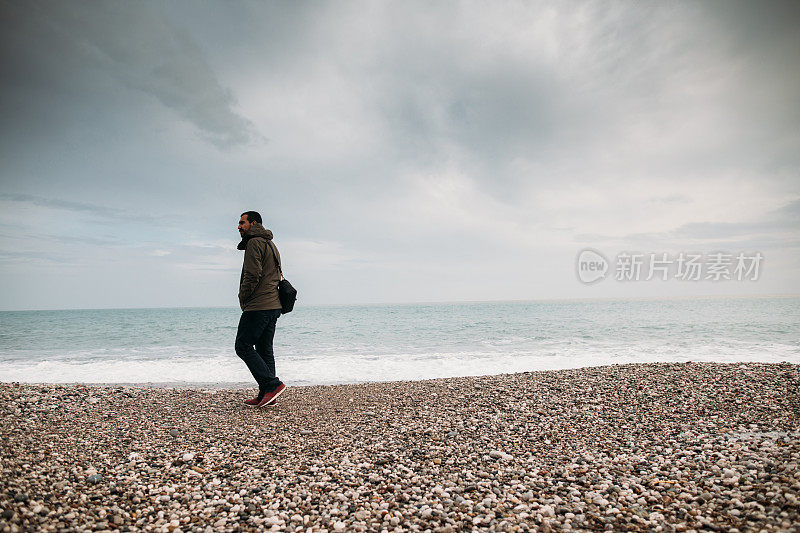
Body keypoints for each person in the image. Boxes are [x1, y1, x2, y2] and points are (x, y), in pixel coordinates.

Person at [235, 211, 286, 407]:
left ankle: (272, 384)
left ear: (253, 223)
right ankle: (268, 394)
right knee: (264, 350)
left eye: (242, 222)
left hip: (259, 305)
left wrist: (243, 297)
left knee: (243, 346)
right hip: (273, 304)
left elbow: (252, 275)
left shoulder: (254, 242)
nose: (239, 226)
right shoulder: (270, 243)